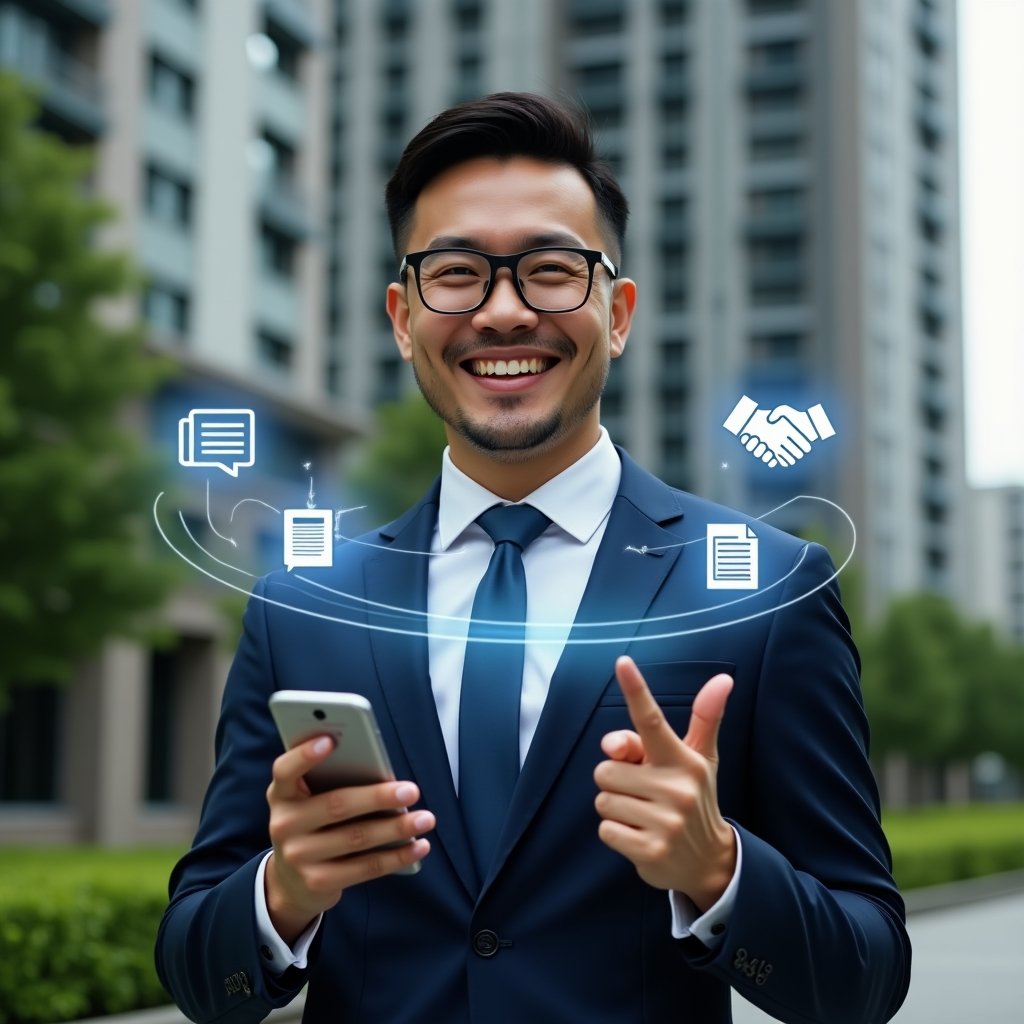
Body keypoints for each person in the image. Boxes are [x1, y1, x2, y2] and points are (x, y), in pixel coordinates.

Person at [156, 92, 911, 1024]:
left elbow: (867, 977)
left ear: (619, 312)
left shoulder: (768, 588)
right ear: (402, 318)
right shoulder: (302, 608)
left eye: (552, 271)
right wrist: (282, 894)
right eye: (457, 273)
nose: (504, 312)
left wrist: (720, 873)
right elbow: (195, 971)